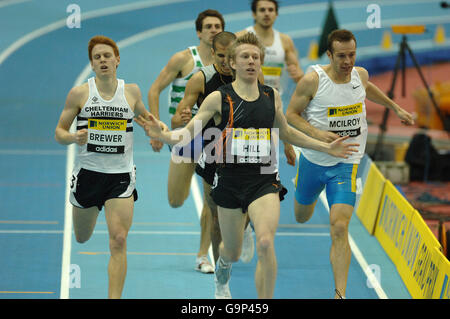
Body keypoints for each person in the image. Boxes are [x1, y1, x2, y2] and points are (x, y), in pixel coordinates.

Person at [136, 33, 359, 299]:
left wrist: (325, 147)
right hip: (230, 180)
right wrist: (161, 135)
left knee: (265, 242)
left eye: (255, 57)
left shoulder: (271, 96)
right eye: (245, 56)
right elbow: (187, 134)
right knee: (230, 250)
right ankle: (223, 266)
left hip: (264, 180)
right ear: (232, 63)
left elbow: (286, 133)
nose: (251, 61)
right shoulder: (218, 99)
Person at [285, 29, 414, 299]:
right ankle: (303, 185)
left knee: (340, 226)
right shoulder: (312, 81)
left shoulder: (361, 75)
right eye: (341, 56)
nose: (347, 61)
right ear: (329, 55)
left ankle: (340, 294)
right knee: (301, 215)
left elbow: (369, 89)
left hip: (346, 163)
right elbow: (291, 115)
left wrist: (395, 108)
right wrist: (319, 135)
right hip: (313, 161)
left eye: (352, 54)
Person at [54, 35, 161, 298]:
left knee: (119, 240)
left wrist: (156, 132)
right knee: (82, 237)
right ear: (92, 65)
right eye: (97, 57)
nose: (103, 60)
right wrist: (72, 137)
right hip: (88, 176)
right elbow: (58, 131)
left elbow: (146, 119)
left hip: (120, 177)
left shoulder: (131, 91)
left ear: (117, 60)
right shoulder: (80, 93)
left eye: (107, 56)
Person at [147, 9, 225, 274]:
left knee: (211, 200)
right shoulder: (183, 59)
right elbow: (155, 89)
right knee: (176, 200)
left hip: (212, 138)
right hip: (185, 136)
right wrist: (156, 126)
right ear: (199, 32)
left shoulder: (229, 64)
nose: (213, 30)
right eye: (209, 26)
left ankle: (203, 255)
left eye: (218, 26)